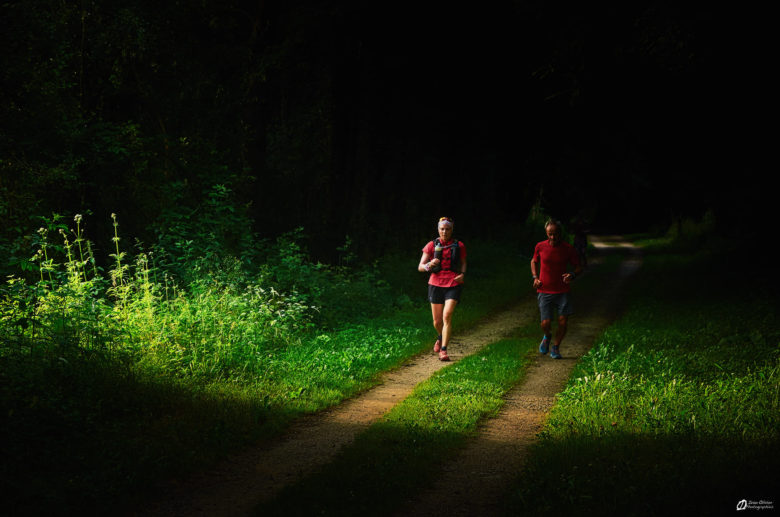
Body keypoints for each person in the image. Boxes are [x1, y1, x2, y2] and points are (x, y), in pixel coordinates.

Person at [530, 219, 582, 359]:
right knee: (545, 323)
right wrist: (535, 277)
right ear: (546, 233)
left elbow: (578, 266)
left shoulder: (568, 249)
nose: (553, 237)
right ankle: (547, 336)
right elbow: (534, 261)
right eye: (550, 234)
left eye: (556, 234)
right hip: (544, 290)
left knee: (563, 321)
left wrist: (572, 274)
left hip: (562, 291)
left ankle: (556, 347)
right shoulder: (540, 246)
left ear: (561, 233)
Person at [418, 217, 467, 361]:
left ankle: (444, 350)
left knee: (447, 316)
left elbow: (464, 262)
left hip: (453, 283)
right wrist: (429, 264)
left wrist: (463, 275)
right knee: (437, 322)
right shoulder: (431, 245)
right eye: (442, 229)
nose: (445, 232)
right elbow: (420, 267)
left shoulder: (459, 245)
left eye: (448, 229)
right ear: (438, 230)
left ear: (452, 230)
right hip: (435, 284)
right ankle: (440, 337)